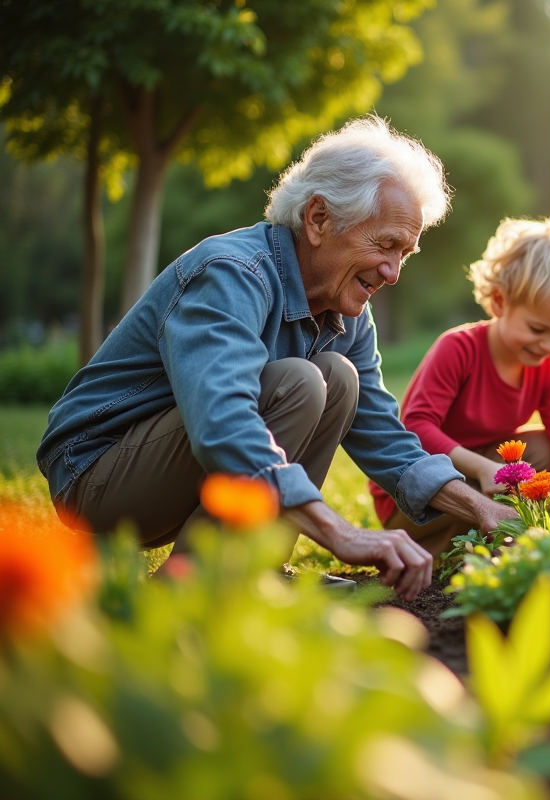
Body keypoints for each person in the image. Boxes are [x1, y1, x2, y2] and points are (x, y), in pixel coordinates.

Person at [37, 116, 513, 600]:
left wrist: (478, 507)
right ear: (319, 219)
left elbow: (385, 437)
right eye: (385, 244)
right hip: (97, 474)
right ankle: (190, 587)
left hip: (182, 469)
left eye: (405, 253)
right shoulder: (231, 274)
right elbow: (223, 422)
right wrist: (337, 531)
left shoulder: (346, 308)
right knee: (301, 382)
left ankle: (259, 569)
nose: (393, 273)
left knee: (338, 377)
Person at [368, 216, 550, 555]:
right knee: (529, 460)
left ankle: (518, 540)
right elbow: (417, 427)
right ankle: (456, 544)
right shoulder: (459, 349)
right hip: (416, 496)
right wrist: (483, 469)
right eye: (539, 330)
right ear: (499, 301)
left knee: (548, 448)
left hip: (485, 480)